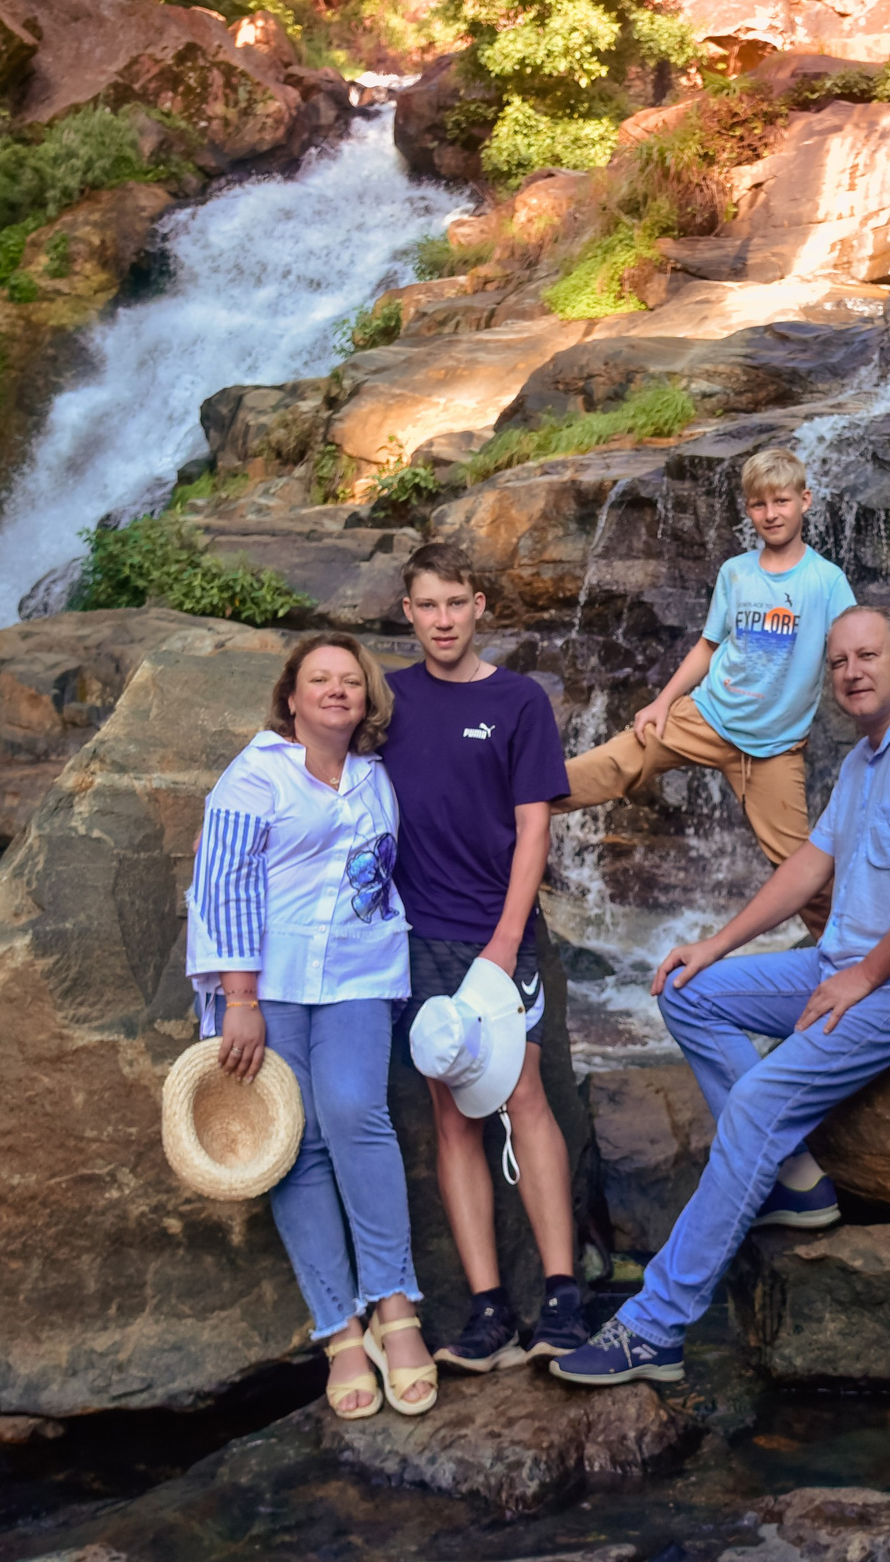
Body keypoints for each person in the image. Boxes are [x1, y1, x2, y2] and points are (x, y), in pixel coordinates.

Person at [550, 605, 890, 1386]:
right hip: (838, 962)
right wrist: (716, 943)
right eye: (839, 662)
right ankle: (793, 1175)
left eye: (868, 656)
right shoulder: (862, 762)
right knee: (688, 989)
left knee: (757, 1100)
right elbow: (807, 868)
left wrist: (863, 976)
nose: (853, 671)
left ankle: (655, 1326)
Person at [186, 635, 438, 1419]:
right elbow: (221, 882)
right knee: (297, 1141)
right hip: (272, 984)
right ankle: (339, 1327)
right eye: (318, 680)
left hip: (360, 974)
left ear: (366, 699)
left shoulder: (374, 779)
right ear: (290, 697)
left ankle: (395, 1307)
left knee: (357, 1110)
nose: (336, 690)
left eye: (349, 680)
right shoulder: (254, 774)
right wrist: (239, 997)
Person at [378, 541, 591, 1371]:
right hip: (415, 940)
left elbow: (535, 827)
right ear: (408, 611)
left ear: (479, 606)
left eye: (456, 603)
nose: (442, 619)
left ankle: (563, 1292)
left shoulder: (518, 701)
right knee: (449, 1115)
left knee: (525, 1097)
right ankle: (488, 1305)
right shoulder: (385, 702)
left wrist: (506, 944)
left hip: (496, 935)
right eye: (427, 605)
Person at [558, 445, 856, 934]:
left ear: (805, 500)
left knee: (806, 871)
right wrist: (661, 704)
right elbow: (707, 648)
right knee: (614, 762)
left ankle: (848, 954)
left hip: (772, 749)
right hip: (706, 717)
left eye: (781, 501)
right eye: (759, 505)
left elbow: (849, 644)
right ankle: (518, 797)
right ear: (748, 510)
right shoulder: (735, 573)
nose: (771, 513)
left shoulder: (827, 582)